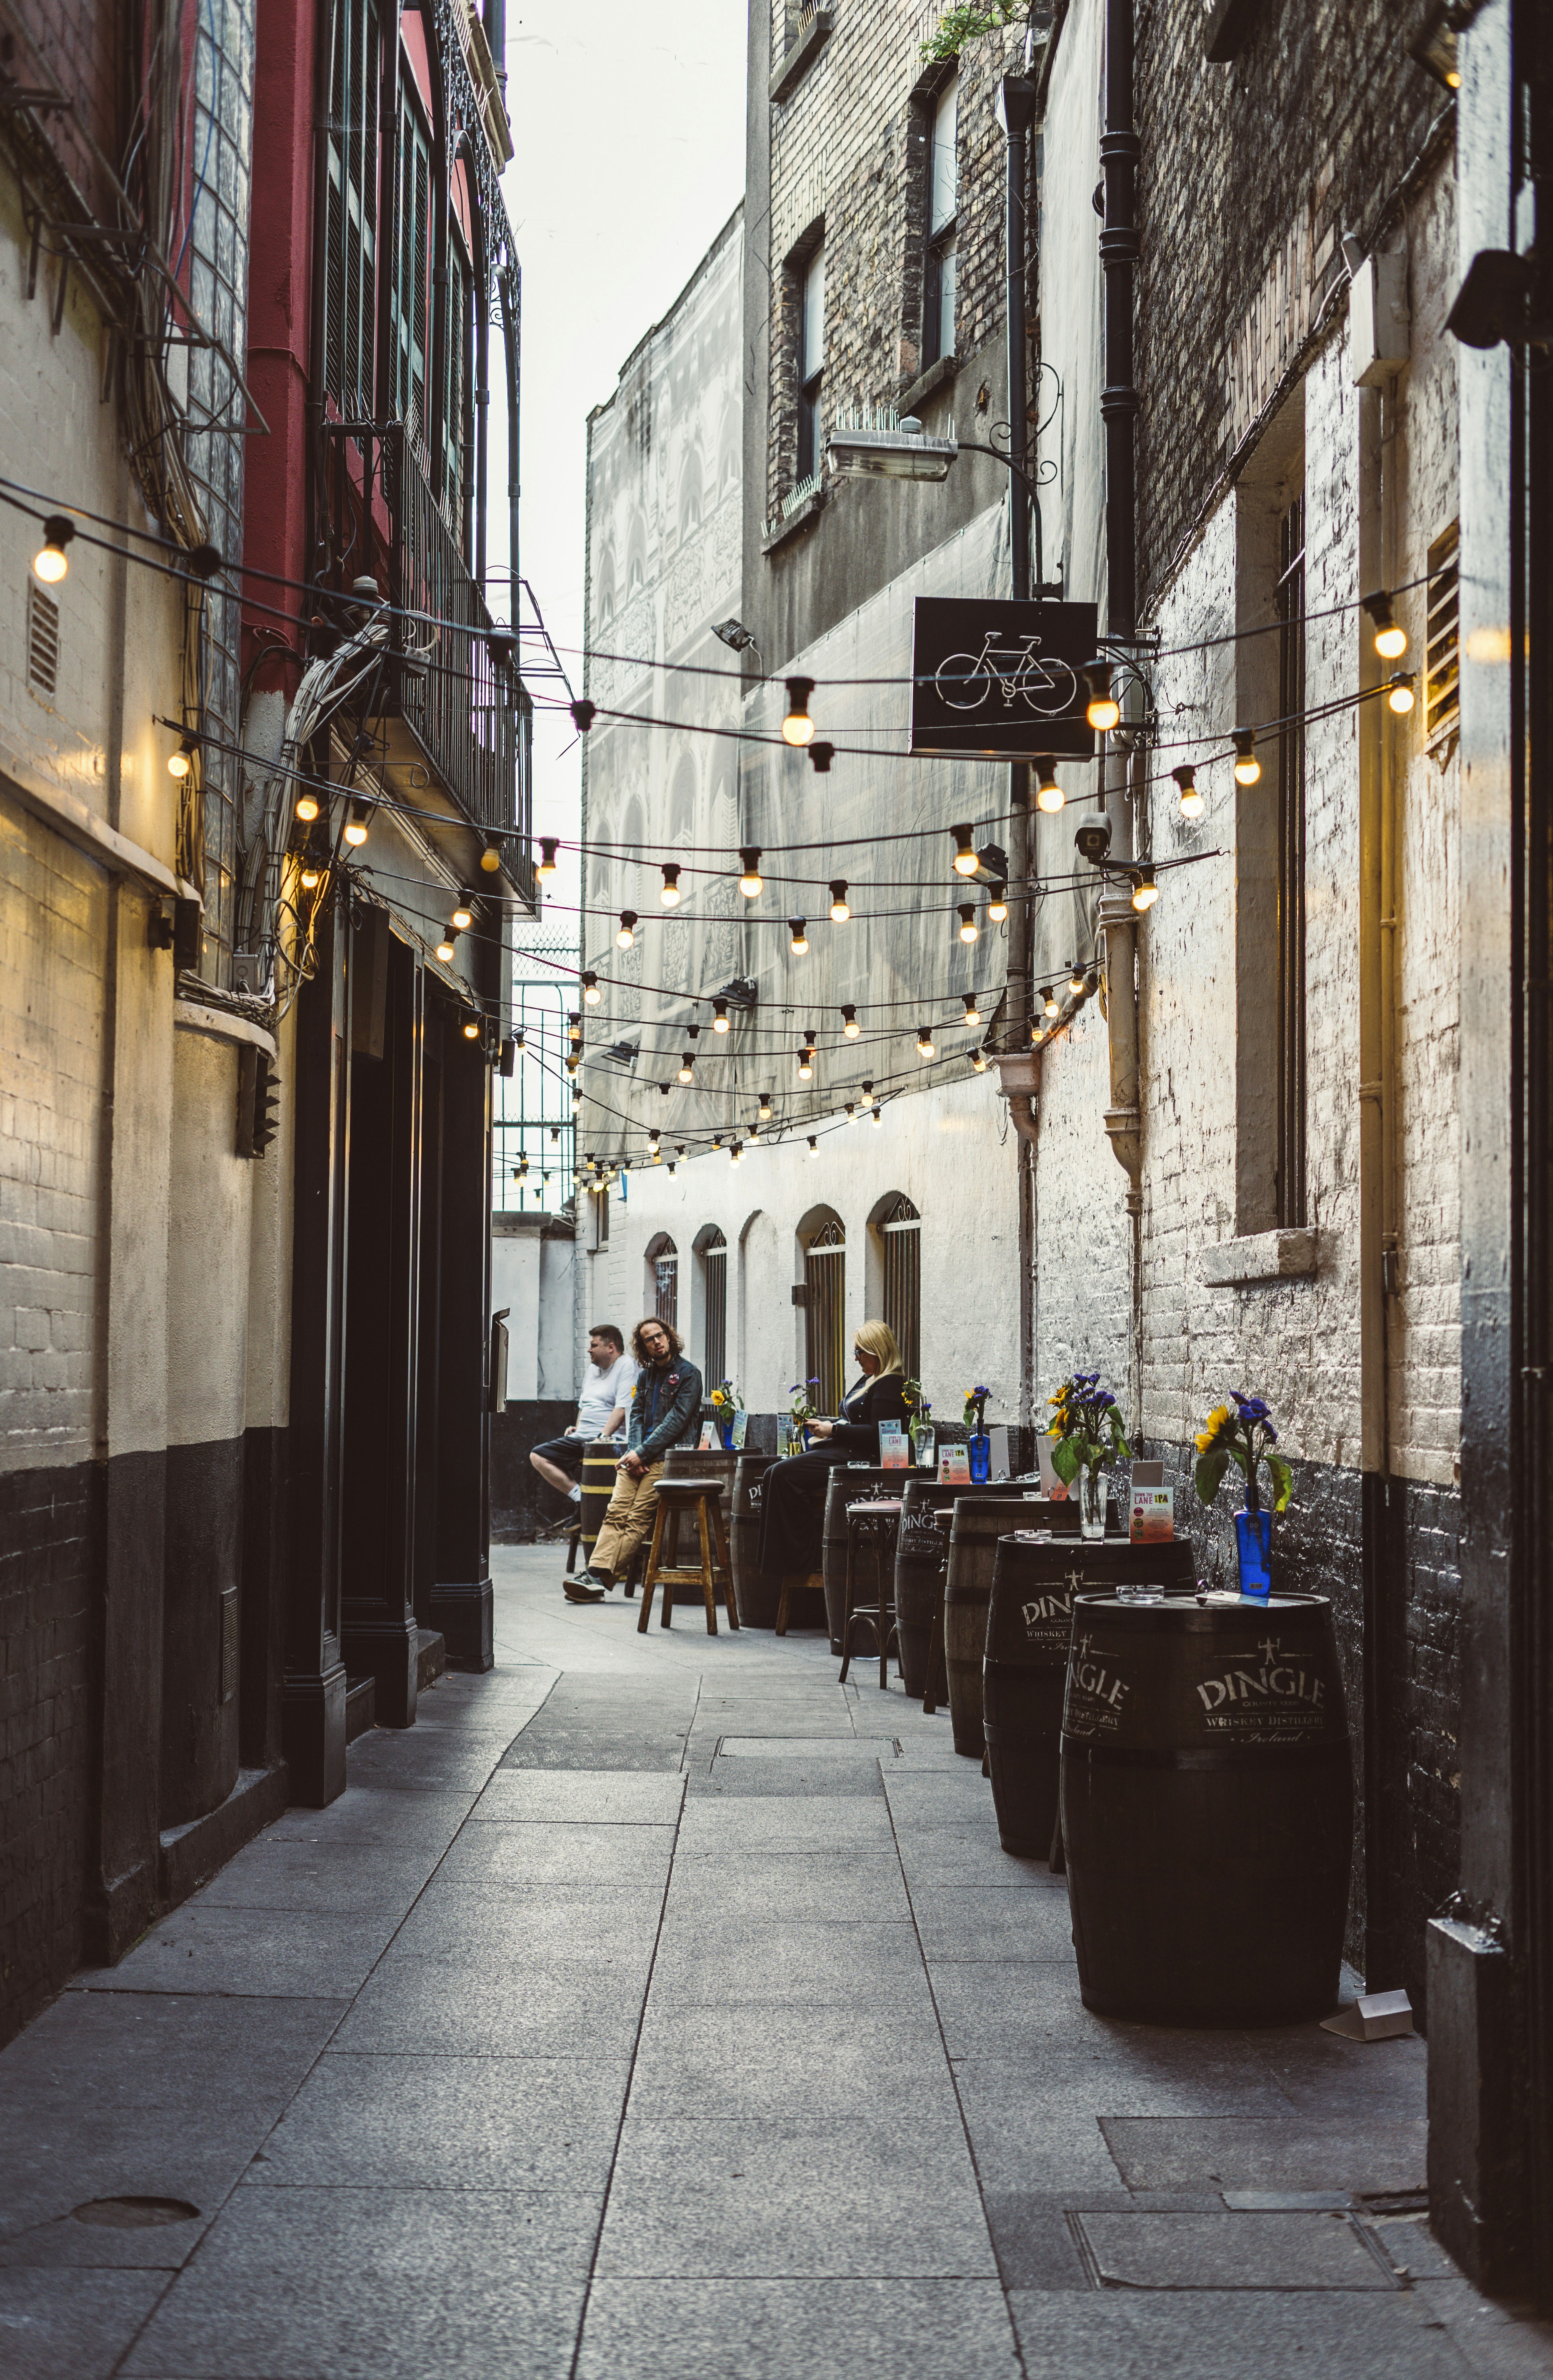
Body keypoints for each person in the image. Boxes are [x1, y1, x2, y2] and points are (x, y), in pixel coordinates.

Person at [756, 1319, 911, 1585]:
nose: (856, 1358)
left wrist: (834, 1430)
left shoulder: (890, 1384)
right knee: (772, 1473)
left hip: (860, 1459)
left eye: (859, 1352)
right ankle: (780, 1565)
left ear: (876, 1350)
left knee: (783, 1475)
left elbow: (879, 1435)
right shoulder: (870, 1379)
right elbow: (853, 1421)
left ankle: (801, 1562)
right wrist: (827, 1427)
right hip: (845, 1450)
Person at [564, 1317, 704, 1601]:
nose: (657, 1342)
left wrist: (642, 1453)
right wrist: (635, 1452)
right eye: (649, 1339)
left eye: (660, 1335)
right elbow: (636, 1416)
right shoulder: (645, 1377)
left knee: (637, 1516)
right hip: (638, 1456)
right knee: (616, 1511)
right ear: (643, 1346)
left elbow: (677, 1421)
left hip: (666, 1458)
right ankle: (595, 1574)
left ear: (669, 1337)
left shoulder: (689, 1374)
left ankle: (597, 1578)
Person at [530, 1324, 638, 1516]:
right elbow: (584, 1404)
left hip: (609, 1442)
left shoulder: (627, 1366)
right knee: (538, 1456)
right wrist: (578, 1427)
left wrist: (601, 1438)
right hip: (583, 1438)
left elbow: (622, 1408)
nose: (589, 1350)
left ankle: (589, 1511)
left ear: (611, 1348)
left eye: (594, 1345)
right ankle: (581, 1499)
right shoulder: (593, 1369)